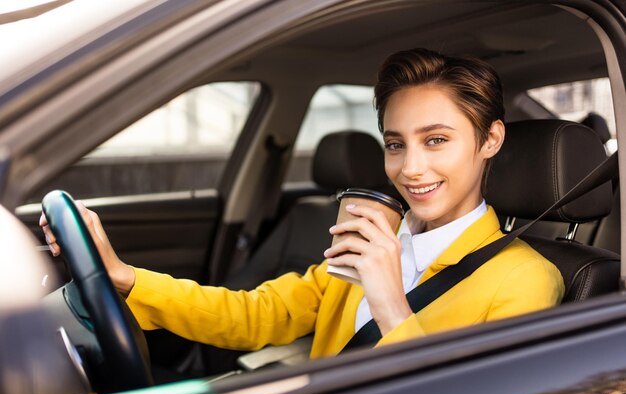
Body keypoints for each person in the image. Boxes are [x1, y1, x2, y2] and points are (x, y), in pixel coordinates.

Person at [40, 48, 564, 358]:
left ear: (490, 140)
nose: (409, 169)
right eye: (395, 143)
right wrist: (125, 278)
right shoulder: (376, 238)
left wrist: (389, 301)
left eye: (436, 140)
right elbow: (257, 315)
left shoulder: (525, 280)